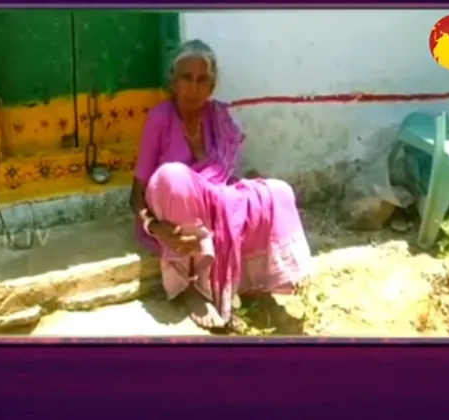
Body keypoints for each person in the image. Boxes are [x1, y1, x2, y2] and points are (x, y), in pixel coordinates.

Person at [130, 39, 312, 331]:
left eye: (202, 80)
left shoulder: (218, 117)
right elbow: (136, 194)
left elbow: (222, 182)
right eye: (186, 78)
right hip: (171, 211)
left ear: (212, 87)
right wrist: (154, 226)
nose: (193, 87)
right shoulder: (160, 117)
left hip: (212, 202)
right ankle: (191, 287)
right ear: (173, 82)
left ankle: (256, 283)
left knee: (277, 191)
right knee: (173, 176)